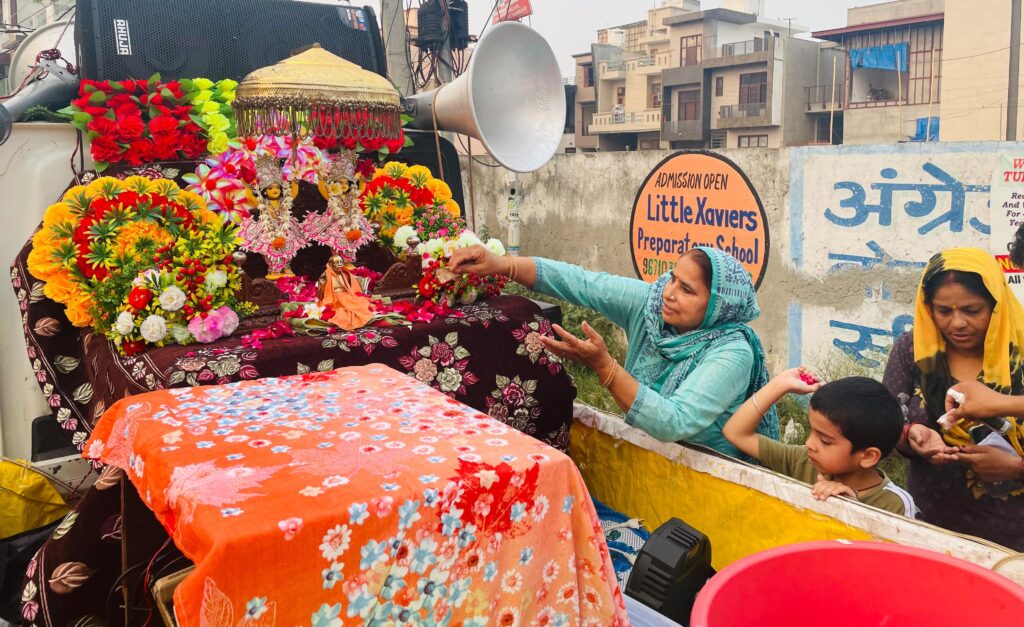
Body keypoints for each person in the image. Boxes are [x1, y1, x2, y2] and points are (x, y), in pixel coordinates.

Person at [447, 245, 778, 458]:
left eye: (687, 289)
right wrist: (502, 265)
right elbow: (584, 284)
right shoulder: (652, 305)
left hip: (710, 471)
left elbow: (674, 422)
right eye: (673, 278)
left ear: (717, 306)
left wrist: (605, 367)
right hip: (648, 453)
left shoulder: (732, 351)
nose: (669, 292)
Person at [883, 247, 1024, 549]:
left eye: (972, 311)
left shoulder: (1020, 353)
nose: (957, 323)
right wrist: (911, 435)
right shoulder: (913, 351)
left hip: (1015, 533)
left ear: (996, 305)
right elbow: (888, 416)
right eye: (944, 311)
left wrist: (1017, 468)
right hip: (933, 523)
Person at [723, 368, 917, 516]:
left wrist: (853, 510)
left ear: (868, 456)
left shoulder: (895, 505)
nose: (809, 444)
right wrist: (780, 385)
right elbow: (736, 432)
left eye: (825, 441)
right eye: (811, 431)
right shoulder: (802, 460)